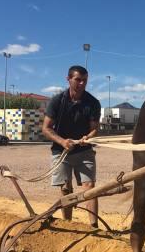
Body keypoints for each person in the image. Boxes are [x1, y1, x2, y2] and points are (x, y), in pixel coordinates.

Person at [42, 65, 101, 228]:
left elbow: (95, 128)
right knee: (66, 189)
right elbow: (45, 128)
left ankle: (94, 227)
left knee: (89, 188)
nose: (82, 83)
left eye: (85, 80)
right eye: (78, 80)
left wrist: (87, 137)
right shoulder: (57, 101)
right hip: (61, 151)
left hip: (84, 151)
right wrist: (62, 142)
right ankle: (68, 224)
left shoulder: (93, 103)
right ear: (68, 79)